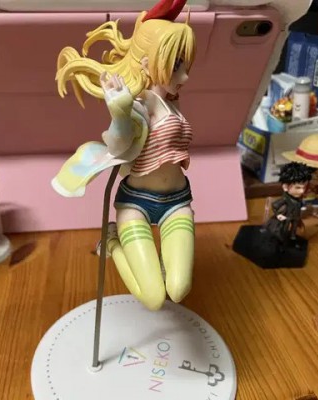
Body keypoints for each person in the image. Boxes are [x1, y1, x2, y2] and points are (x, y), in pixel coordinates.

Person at [52, 0, 196, 310]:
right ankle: (113, 243)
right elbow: (118, 146)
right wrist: (118, 112)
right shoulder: (137, 107)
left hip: (177, 201)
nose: (184, 76)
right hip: (137, 204)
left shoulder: (173, 102)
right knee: (154, 298)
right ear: (146, 63)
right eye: (176, 66)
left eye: (184, 65)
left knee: (179, 289)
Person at [263, 162, 313, 247]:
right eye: (298, 187)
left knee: (294, 229)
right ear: (285, 187)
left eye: (304, 187)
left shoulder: (298, 198)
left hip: (296, 217)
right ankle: (282, 242)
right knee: (284, 231)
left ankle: (292, 237)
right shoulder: (285, 199)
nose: (302, 191)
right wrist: (278, 215)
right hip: (287, 218)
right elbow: (274, 205)